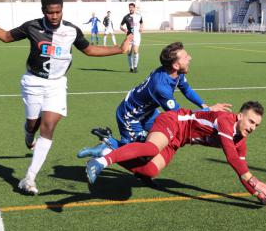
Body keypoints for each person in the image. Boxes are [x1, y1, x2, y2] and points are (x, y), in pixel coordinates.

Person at [0, 0, 132, 195]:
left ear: (62, 10)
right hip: (33, 82)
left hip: (56, 84)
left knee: (48, 125)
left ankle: (29, 178)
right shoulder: (32, 27)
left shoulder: (72, 31)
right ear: (43, 11)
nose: (54, 16)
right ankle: (29, 134)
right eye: (50, 12)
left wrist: (119, 48)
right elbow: (5, 36)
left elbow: (89, 50)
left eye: (57, 12)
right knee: (33, 123)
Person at [85, 101, 266, 208]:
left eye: (257, 125)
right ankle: (103, 161)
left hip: (180, 140)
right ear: (240, 116)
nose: (253, 127)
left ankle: (109, 147)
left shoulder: (241, 142)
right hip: (174, 121)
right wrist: (256, 182)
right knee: (152, 148)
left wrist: (258, 194)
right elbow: (231, 158)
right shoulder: (225, 121)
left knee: (148, 171)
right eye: (250, 121)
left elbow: (241, 170)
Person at [77, 41, 232, 160]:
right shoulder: (161, 87)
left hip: (148, 113)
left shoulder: (176, 73)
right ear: (176, 64)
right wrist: (208, 111)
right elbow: (178, 116)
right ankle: (107, 144)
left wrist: (204, 105)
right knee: (137, 150)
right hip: (130, 116)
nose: (190, 57)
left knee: (160, 140)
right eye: (186, 57)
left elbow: (187, 90)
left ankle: (136, 167)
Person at [120, 3, 143, 73]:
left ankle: (135, 67)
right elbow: (120, 26)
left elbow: (141, 22)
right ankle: (131, 68)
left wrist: (141, 28)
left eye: (132, 7)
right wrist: (124, 30)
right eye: (130, 7)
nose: (131, 9)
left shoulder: (139, 16)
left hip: (137, 36)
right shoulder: (126, 17)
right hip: (129, 36)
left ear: (134, 8)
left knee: (135, 51)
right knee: (129, 52)